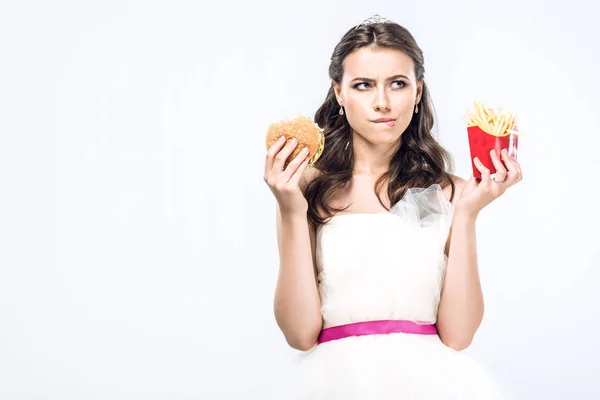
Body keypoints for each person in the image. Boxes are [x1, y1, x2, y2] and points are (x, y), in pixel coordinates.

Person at [263, 14, 521, 399]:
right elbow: (300, 334)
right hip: (335, 383)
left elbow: (459, 335)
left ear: (417, 91)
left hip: (434, 385)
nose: (382, 102)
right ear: (339, 92)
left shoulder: (453, 192)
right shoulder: (304, 187)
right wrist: (288, 209)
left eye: (397, 84)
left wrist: (466, 215)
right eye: (363, 85)